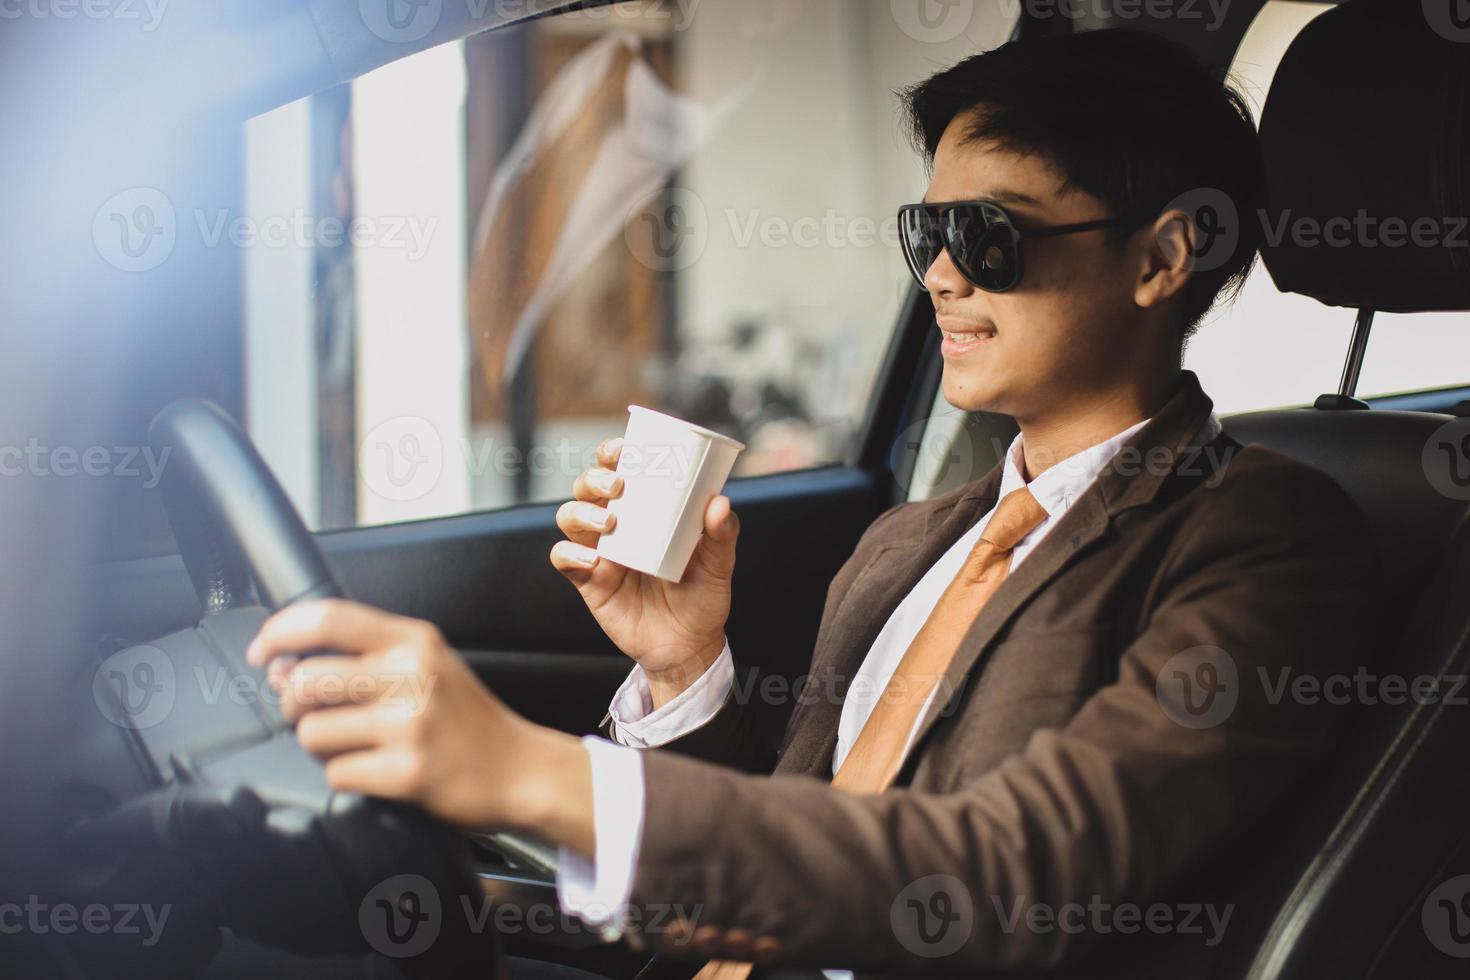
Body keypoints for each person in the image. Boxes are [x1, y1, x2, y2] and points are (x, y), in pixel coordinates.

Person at [246, 30, 1376, 977]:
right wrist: (687, 663)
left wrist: (530, 771)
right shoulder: (911, 538)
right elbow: (801, 840)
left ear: (1163, 256)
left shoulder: (1265, 540)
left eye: (988, 236)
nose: (941, 274)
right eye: (925, 234)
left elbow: (1016, 870)